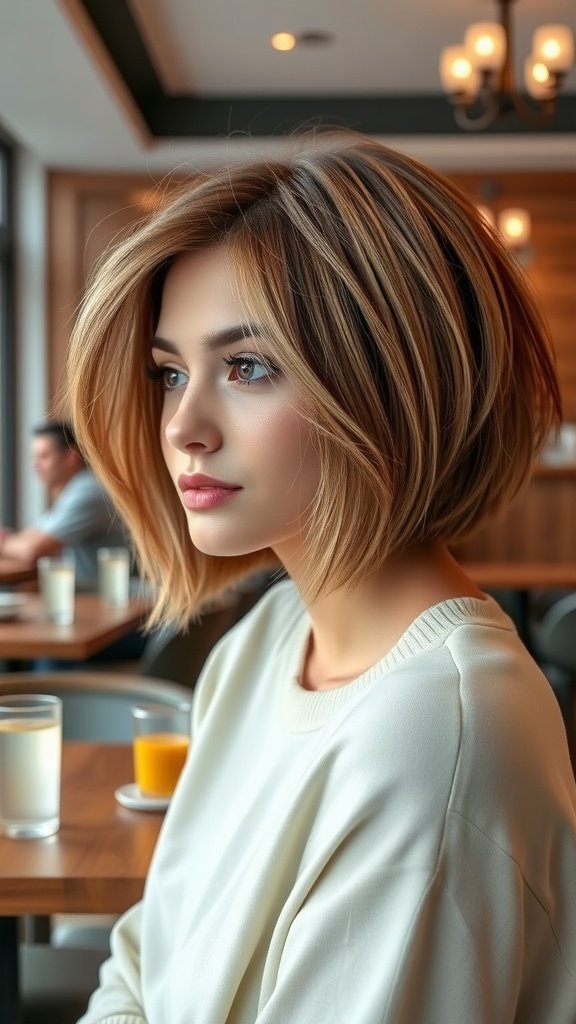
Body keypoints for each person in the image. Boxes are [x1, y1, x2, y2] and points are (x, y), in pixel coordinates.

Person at [66, 133, 576, 1023]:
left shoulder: (436, 737)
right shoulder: (264, 641)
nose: (183, 424)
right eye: (170, 372)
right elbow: (144, 958)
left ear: (391, 384)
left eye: (248, 367)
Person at [0, 420, 127, 588]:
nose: (35, 465)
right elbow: (34, 535)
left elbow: (32, 548)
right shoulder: (71, 491)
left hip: (109, 597)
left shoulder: (89, 490)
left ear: (70, 458)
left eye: (44, 456)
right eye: (34, 457)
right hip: (89, 593)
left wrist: (4, 541)